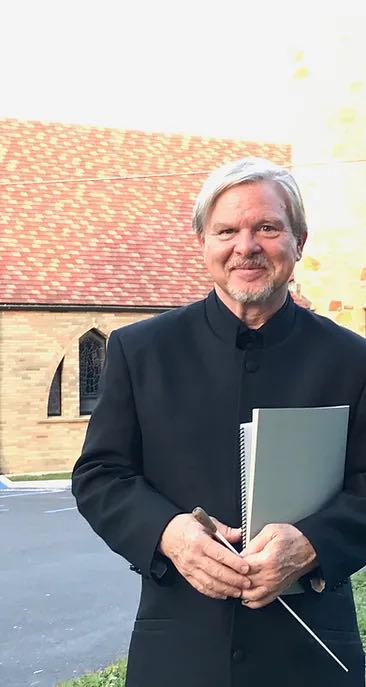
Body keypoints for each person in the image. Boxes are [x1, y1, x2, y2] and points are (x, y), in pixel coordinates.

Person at [72, 157, 366, 687]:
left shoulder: (353, 361)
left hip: (314, 657)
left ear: (299, 241)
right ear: (203, 243)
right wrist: (168, 533)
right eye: (226, 230)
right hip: (179, 651)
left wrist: (315, 543)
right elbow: (100, 475)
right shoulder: (141, 350)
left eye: (267, 228)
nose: (246, 246)